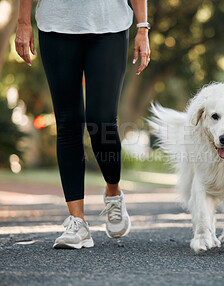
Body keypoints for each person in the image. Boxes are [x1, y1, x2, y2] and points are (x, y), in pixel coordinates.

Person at [15, 0, 150, 249]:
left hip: (109, 24)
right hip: (56, 24)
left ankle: (113, 192)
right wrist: (23, 22)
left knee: (102, 121)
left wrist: (143, 27)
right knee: (67, 122)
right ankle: (77, 222)